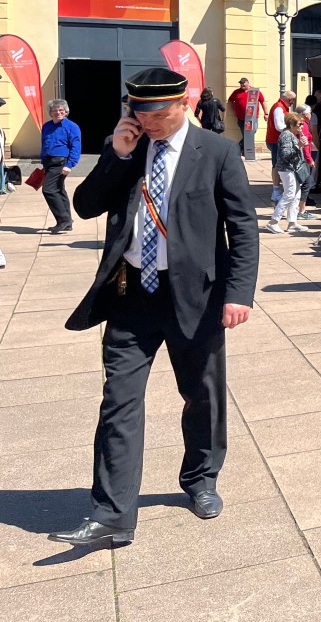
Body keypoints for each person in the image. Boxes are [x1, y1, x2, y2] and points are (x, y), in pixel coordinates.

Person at [49, 67, 257, 547]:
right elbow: (85, 206)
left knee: (201, 396)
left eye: (161, 114)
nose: (152, 123)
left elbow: (243, 228)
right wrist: (117, 157)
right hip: (130, 295)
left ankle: (201, 478)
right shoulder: (127, 144)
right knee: (118, 401)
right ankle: (112, 515)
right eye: (142, 113)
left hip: (195, 297)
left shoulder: (218, 152)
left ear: (184, 103)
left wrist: (239, 293)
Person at [40, 98, 81, 234]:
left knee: (48, 190)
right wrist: (42, 161)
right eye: (55, 110)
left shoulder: (72, 127)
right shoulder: (46, 126)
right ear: (50, 113)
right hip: (48, 162)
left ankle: (63, 220)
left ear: (66, 112)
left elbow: (76, 146)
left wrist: (70, 165)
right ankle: (67, 222)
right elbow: (44, 144)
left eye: (61, 110)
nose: (58, 112)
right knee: (58, 190)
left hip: (60, 162)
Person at [266, 112, 307, 234]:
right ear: (291, 124)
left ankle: (292, 223)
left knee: (296, 195)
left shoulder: (292, 135)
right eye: (300, 124)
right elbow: (285, 154)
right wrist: (299, 146)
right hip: (287, 169)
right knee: (289, 194)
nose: (301, 127)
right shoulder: (286, 135)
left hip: (293, 169)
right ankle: (273, 222)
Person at [264, 90, 296, 202]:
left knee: (278, 165)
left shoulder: (281, 107)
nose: (292, 103)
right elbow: (279, 126)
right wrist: (291, 130)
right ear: (289, 100)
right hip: (276, 141)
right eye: (292, 101)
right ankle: (276, 191)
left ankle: (277, 190)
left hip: (277, 140)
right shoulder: (279, 108)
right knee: (277, 165)